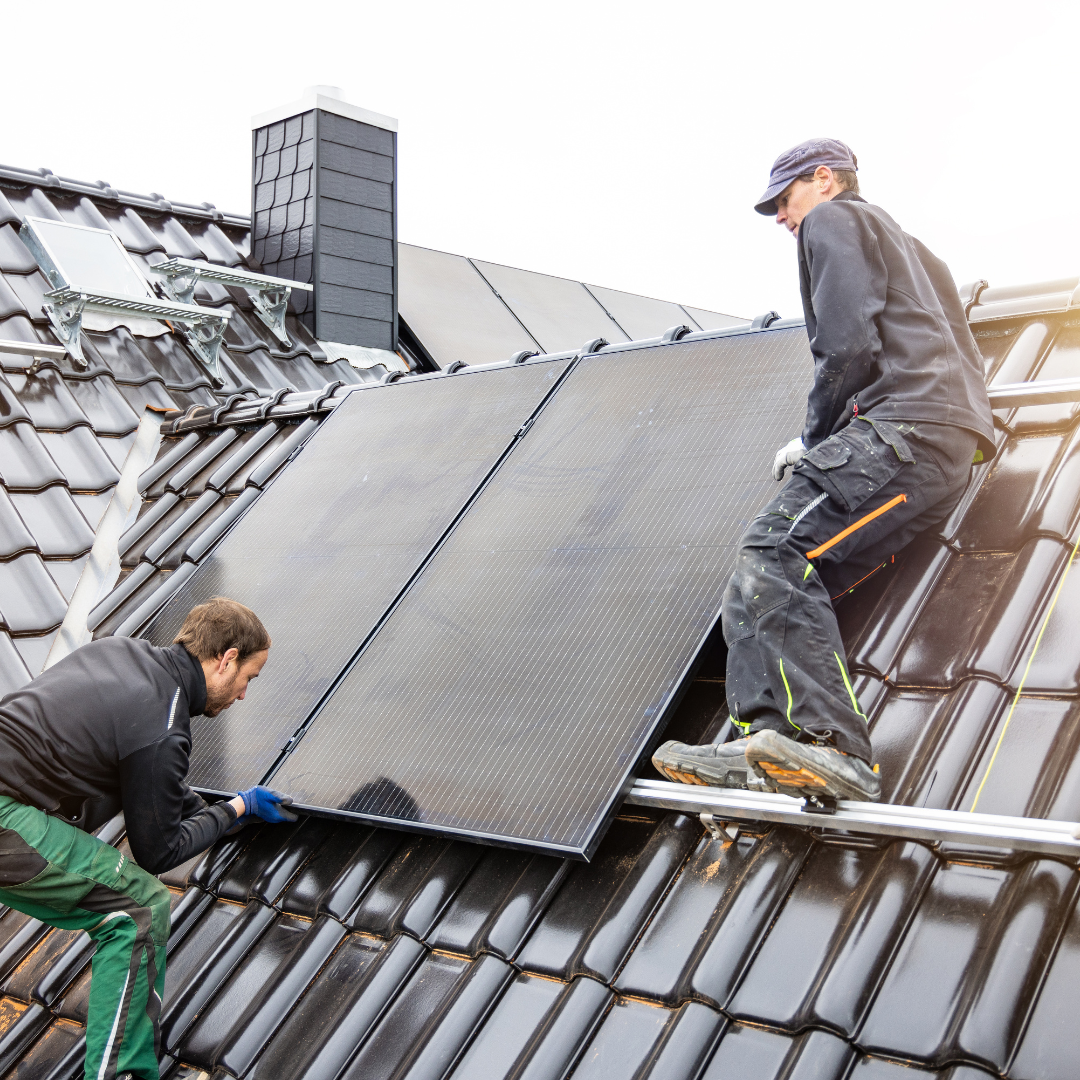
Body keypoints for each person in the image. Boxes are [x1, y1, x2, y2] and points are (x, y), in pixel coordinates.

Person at [653, 139, 995, 803]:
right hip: (943, 441)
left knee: (770, 549)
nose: (783, 216)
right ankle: (765, 744)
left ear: (825, 179)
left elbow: (844, 344)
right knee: (764, 580)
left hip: (904, 430)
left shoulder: (832, 220)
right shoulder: (916, 249)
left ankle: (832, 747)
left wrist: (815, 438)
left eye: (786, 198)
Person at [0, 597, 296, 1080]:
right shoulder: (163, 723)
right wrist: (236, 807)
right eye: (249, 677)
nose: (243, 694)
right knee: (138, 906)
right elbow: (158, 851)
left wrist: (223, 815)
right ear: (226, 659)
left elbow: (159, 789)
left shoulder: (122, 655)